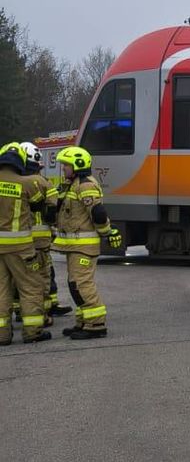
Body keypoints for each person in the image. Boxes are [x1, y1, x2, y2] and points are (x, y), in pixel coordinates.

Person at [50, 145, 122, 340]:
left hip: (84, 246)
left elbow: (98, 213)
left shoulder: (86, 185)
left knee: (82, 284)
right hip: (75, 246)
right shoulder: (72, 184)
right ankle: (83, 321)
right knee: (74, 284)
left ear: (78, 165)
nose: (63, 168)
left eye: (66, 165)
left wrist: (107, 231)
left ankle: (96, 324)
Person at [0, 142, 51, 345]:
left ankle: (2, 335)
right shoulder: (26, 183)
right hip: (21, 247)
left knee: (1, 290)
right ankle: (32, 332)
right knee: (30, 287)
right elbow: (40, 204)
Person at [18, 142, 69, 325]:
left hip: (20, 241)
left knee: (21, 277)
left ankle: (23, 309)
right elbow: (51, 213)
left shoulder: (15, 182)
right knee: (42, 277)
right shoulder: (41, 183)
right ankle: (42, 312)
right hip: (38, 240)